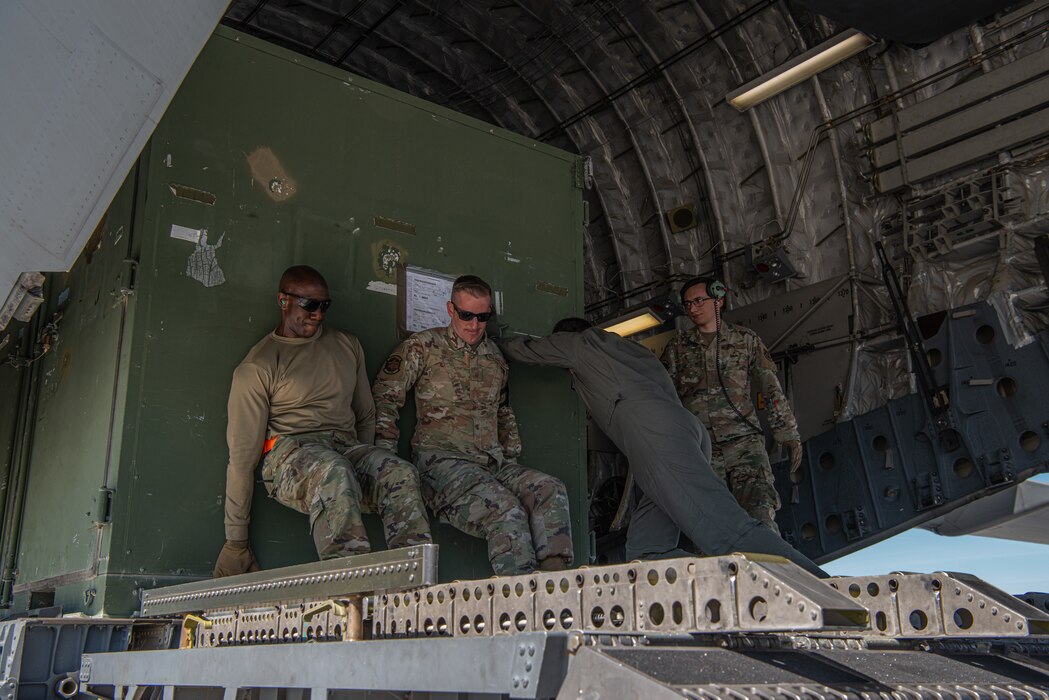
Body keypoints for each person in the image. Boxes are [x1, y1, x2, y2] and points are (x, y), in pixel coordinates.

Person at [496, 318, 826, 578]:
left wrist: (490, 334)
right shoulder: (635, 352)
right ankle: (722, 588)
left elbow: (526, 349)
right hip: (685, 432)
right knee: (647, 551)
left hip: (659, 439)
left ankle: (822, 588)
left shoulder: (581, 343)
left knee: (724, 529)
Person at [214, 265, 431, 577]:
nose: (318, 314)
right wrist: (236, 542)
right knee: (335, 471)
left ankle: (411, 583)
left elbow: (366, 414)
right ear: (283, 301)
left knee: (400, 473)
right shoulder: (259, 366)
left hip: (345, 447)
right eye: (309, 305)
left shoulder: (346, 345)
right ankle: (351, 587)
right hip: (289, 455)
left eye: (324, 306)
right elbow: (241, 459)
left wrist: (366, 469)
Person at [372, 275, 573, 575]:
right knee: (506, 509)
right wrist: (385, 459)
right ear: (451, 309)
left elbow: (503, 411)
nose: (474, 324)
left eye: (482, 317)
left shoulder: (494, 357)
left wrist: (511, 459)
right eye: (466, 315)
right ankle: (520, 601)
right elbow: (385, 399)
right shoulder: (423, 347)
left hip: (492, 464)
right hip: (441, 464)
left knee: (550, 490)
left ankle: (555, 585)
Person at [661, 277, 802, 533]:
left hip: (745, 444)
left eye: (699, 301)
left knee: (761, 515)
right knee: (707, 524)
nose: (693, 309)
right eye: (688, 304)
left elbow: (770, 388)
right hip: (702, 449)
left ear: (719, 299)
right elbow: (664, 399)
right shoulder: (677, 349)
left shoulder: (745, 340)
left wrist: (788, 433)